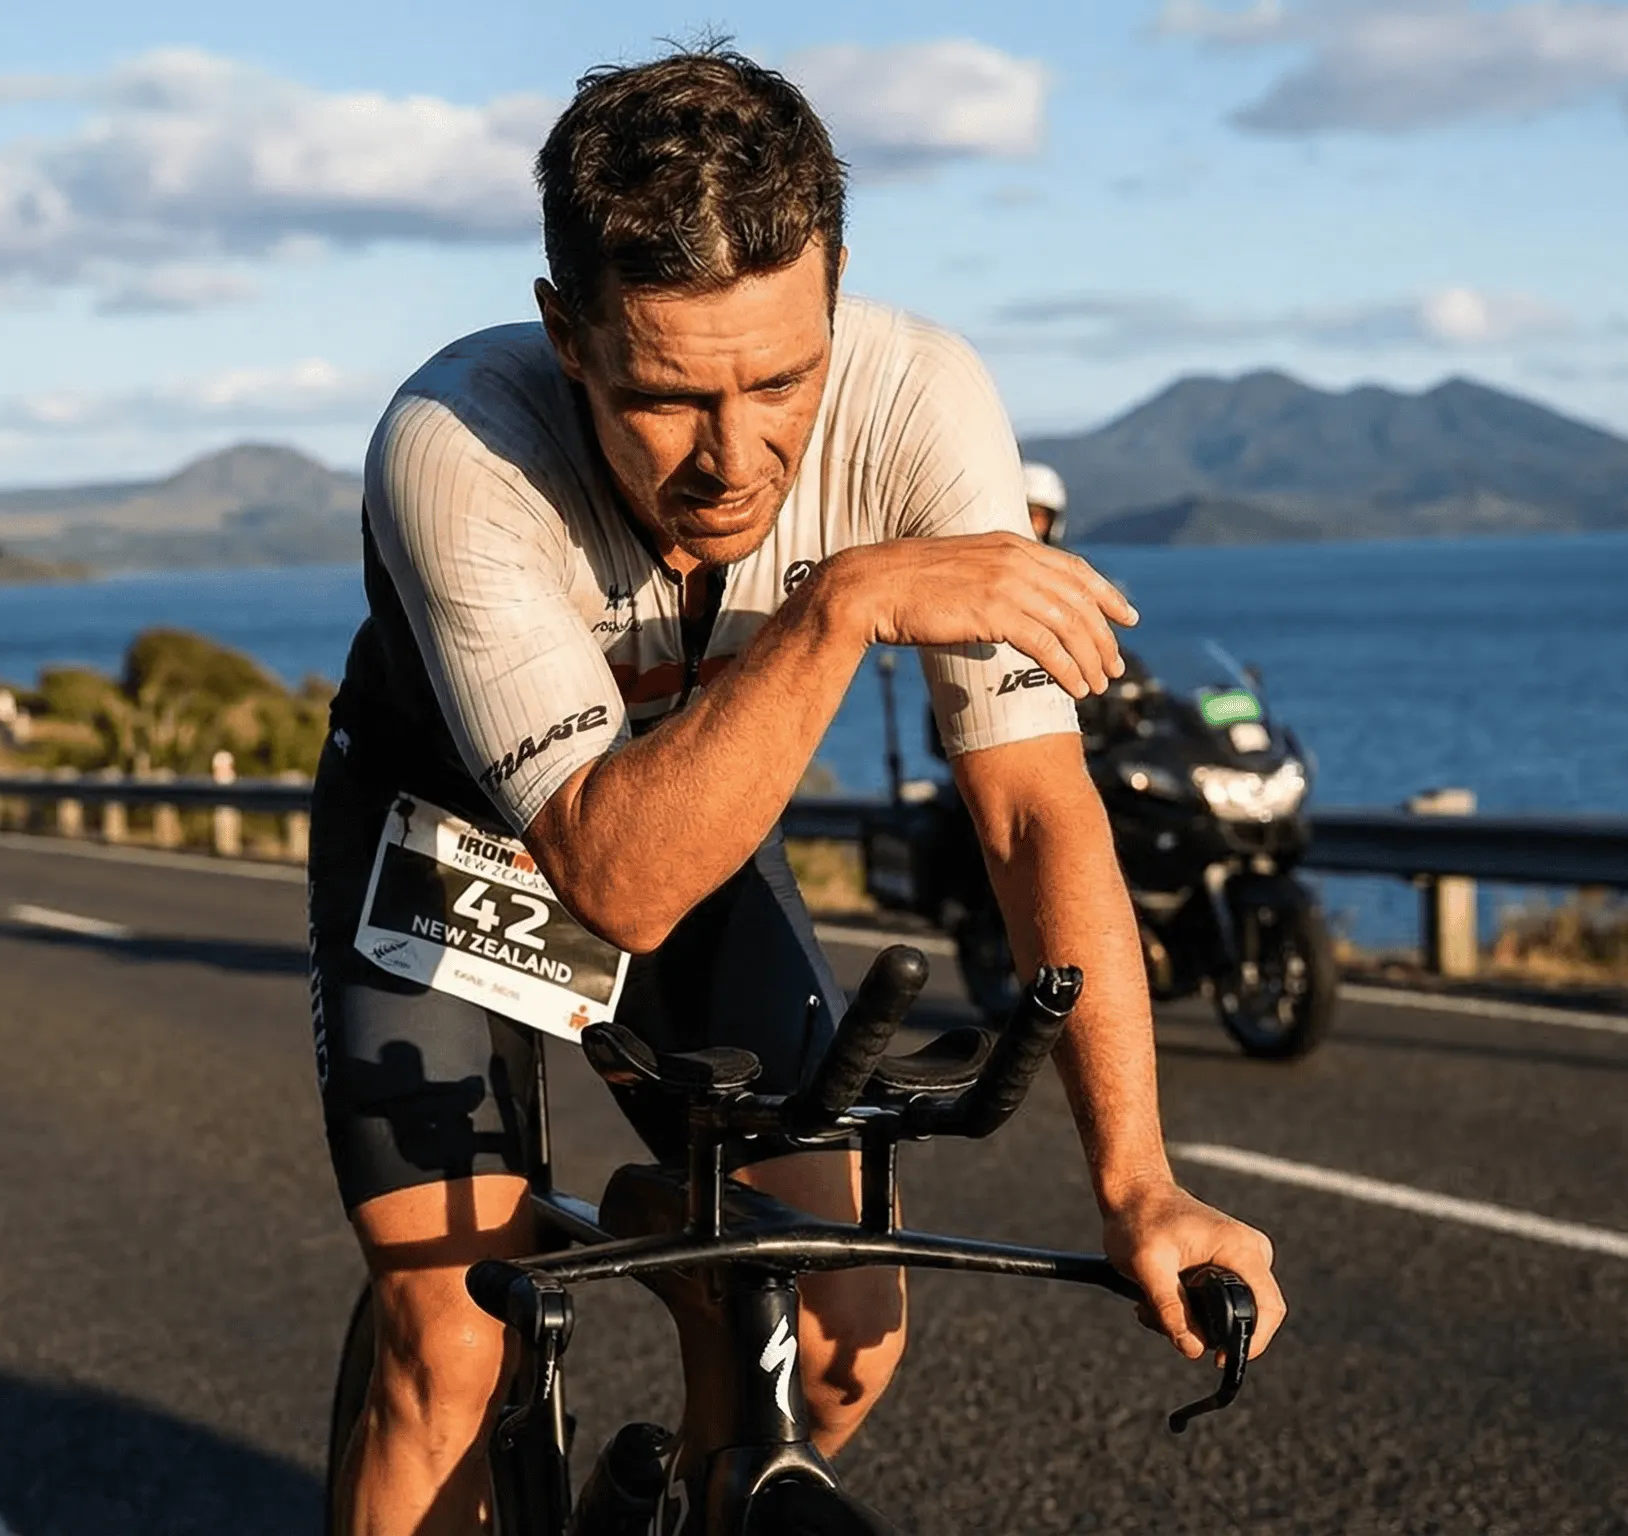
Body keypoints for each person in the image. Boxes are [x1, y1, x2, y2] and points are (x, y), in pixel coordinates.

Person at [308, 46, 1285, 1535]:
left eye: (784, 379)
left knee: (835, 1343)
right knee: (454, 1340)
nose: (735, 457)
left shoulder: (922, 398)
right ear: (566, 335)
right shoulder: (456, 446)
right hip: (449, 850)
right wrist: (847, 604)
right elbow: (613, 876)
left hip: (693, 819)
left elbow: (1029, 807)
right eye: (664, 398)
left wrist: (1139, 1182)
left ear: (836, 290)